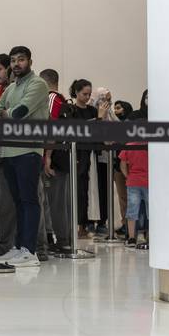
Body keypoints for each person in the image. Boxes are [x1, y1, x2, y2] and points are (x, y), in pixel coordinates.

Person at [0, 46, 49, 267]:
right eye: (14, 60)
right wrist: (6, 113)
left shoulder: (38, 84)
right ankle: (19, 247)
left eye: (21, 60)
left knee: (29, 200)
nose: (16, 64)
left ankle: (30, 250)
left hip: (28, 150)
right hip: (8, 150)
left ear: (30, 62)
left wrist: (8, 113)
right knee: (17, 202)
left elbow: (18, 113)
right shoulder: (12, 87)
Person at [0, 53, 17, 256]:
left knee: (10, 200)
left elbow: (9, 114)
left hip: (15, 147)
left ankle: (8, 244)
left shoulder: (16, 86)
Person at [39, 68, 69, 252]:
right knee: (58, 201)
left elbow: (49, 128)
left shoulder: (51, 98)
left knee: (52, 202)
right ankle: (59, 238)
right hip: (63, 156)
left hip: (54, 157)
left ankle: (61, 239)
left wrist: (47, 157)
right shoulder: (63, 99)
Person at [66, 79, 99, 238]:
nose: (87, 97)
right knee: (77, 189)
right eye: (84, 94)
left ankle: (84, 225)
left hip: (91, 153)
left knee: (85, 190)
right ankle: (75, 225)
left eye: (89, 94)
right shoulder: (71, 110)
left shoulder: (93, 110)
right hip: (77, 153)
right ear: (76, 93)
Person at [91, 87, 117, 235]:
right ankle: (87, 223)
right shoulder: (92, 113)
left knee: (105, 191)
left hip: (108, 159)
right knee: (95, 189)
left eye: (109, 99)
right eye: (105, 99)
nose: (108, 102)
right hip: (95, 157)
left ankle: (103, 222)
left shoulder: (111, 114)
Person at [119, 142, 148, 248]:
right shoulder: (150, 145)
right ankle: (151, 237)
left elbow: (122, 165)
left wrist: (128, 176)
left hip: (133, 181)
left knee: (132, 211)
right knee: (151, 212)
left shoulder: (129, 145)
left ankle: (131, 238)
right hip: (149, 181)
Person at [113, 100, 133, 235]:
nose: (116, 111)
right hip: (118, 165)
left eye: (118, 108)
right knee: (122, 197)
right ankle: (125, 223)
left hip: (130, 165)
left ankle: (131, 226)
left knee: (130, 197)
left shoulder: (130, 125)